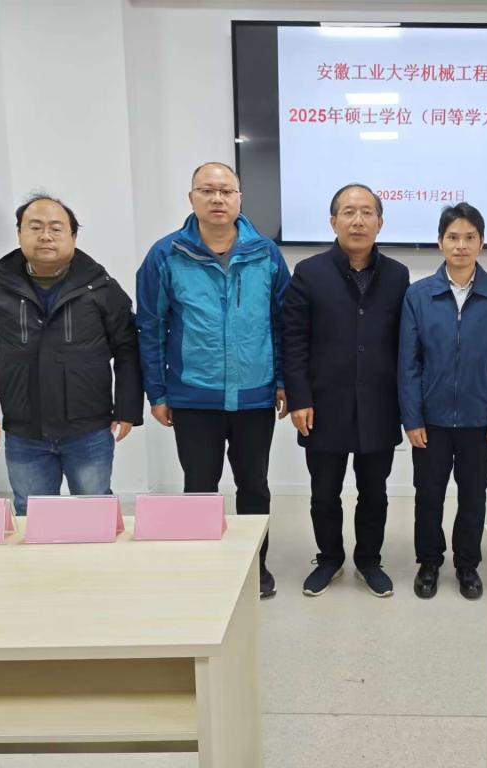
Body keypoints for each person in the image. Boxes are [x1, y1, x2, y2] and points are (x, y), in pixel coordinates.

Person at [136, 162, 290, 598]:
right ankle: (202, 565)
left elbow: (284, 322)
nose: (217, 198)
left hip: (255, 395)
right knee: (200, 486)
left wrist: (283, 380)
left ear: (240, 198)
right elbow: (150, 327)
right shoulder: (166, 255)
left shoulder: (265, 254)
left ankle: (255, 566)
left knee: (254, 486)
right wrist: (157, 391)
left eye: (226, 191)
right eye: (207, 190)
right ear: (192, 199)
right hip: (193, 396)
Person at [0, 194, 143, 515]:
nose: (45, 236)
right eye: (35, 227)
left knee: (95, 510)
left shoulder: (101, 288)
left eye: (56, 228)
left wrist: (127, 408)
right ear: (19, 233)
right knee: (31, 514)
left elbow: (128, 350)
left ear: (73, 236)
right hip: (24, 431)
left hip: (88, 429)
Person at [282, 184, 409, 598]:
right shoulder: (309, 272)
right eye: (349, 212)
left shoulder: (397, 276)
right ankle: (330, 558)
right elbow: (294, 340)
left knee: (375, 493)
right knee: (324, 493)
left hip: (379, 404)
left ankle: (369, 560)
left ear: (380, 223)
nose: (358, 221)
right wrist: (299, 398)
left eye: (367, 212)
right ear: (333, 221)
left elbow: (404, 345)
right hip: (323, 404)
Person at [398, 202, 487, 600]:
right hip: (431, 420)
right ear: (440, 242)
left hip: (478, 419)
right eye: (453, 237)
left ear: (481, 242)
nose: (461, 245)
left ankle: (467, 564)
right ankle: (429, 562)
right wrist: (412, 418)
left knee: (473, 497)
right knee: (428, 495)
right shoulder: (418, 295)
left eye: (470, 237)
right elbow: (409, 363)